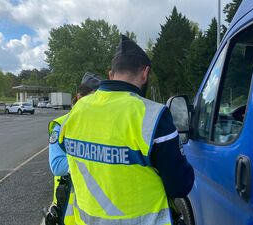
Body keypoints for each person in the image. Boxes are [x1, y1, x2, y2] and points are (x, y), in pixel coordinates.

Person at [58, 35, 194, 225]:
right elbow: (179, 185)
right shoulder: (153, 115)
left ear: (110, 74)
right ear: (145, 73)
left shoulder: (76, 111)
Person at [45, 72, 103, 225]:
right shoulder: (62, 124)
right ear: (79, 97)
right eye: (92, 97)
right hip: (71, 208)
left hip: (99, 208)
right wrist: (99, 159)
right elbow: (57, 165)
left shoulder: (103, 124)